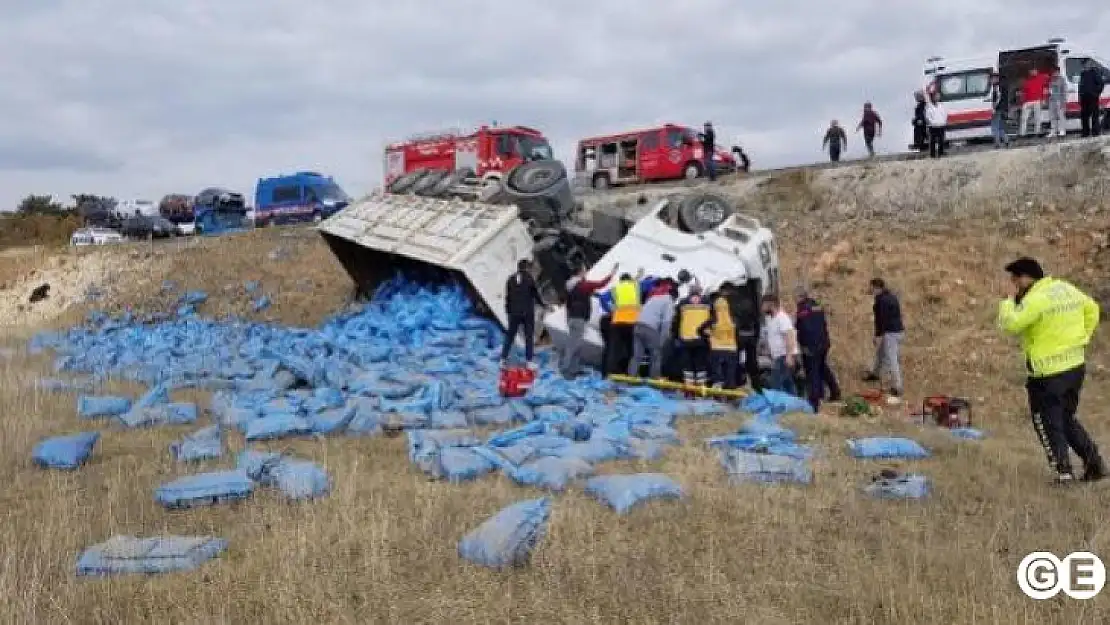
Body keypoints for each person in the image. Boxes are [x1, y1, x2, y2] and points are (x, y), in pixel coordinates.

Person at [997, 257, 1105, 483]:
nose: (1014, 284)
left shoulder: (1037, 298)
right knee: (1065, 417)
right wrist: (1083, 337)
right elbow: (1093, 309)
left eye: (1016, 280)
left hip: (1048, 373)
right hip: (1075, 367)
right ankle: (1093, 462)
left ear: (1027, 278)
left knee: (1047, 421)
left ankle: (1064, 473)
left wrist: (1007, 301)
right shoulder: (1066, 288)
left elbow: (1012, 324)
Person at [560, 262, 618, 378]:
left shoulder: (572, 286)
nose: (586, 272)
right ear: (580, 272)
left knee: (576, 344)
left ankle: (574, 369)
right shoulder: (583, 285)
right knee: (573, 346)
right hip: (579, 318)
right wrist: (613, 272)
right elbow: (601, 284)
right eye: (584, 270)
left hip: (572, 317)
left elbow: (569, 303)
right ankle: (566, 370)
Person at [794, 286, 841, 411]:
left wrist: (803, 345)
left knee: (813, 372)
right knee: (822, 367)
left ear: (800, 297)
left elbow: (804, 328)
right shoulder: (817, 305)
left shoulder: (802, 309)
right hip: (824, 343)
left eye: (796, 297)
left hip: (811, 345)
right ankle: (835, 391)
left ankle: (814, 403)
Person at [500, 259, 549, 368]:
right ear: (527, 268)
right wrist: (544, 305)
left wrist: (508, 310)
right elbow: (536, 295)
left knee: (510, 336)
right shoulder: (529, 279)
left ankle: (503, 359)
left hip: (514, 313)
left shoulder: (510, 279)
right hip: (527, 312)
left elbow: (508, 297)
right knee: (528, 336)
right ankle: (529, 361)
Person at [863, 278, 904, 397]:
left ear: (876, 287)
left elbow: (882, 320)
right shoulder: (890, 296)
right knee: (881, 354)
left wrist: (878, 335)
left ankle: (897, 386)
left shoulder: (882, 301)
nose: (869, 289)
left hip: (891, 333)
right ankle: (875, 373)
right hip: (896, 330)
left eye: (871, 286)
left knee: (892, 359)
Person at [629, 279, 675, 378]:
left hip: (637, 326)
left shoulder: (653, 297)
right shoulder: (669, 301)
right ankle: (654, 379)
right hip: (650, 328)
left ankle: (631, 377)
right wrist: (662, 341)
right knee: (656, 355)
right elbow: (666, 322)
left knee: (637, 355)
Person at [672, 284, 712, 391]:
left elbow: (676, 321)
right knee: (700, 365)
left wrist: (675, 335)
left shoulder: (682, 303)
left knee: (687, 365)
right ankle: (701, 389)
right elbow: (712, 320)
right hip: (702, 339)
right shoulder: (708, 303)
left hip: (685, 339)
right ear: (700, 292)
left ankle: (689, 390)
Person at [701, 287, 740, 388]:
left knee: (717, 374)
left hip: (716, 349)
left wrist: (708, 334)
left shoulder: (713, 320)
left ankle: (718, 394)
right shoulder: (733, 319)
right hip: (731, 349)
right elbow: (737, 334)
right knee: (730, 374)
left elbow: (700, 330)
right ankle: (731, 394)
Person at [605, 271, 642, 375]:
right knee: (631, 349)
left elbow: (606, 298)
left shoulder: (615, 289)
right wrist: (639, 274)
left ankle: (611, 371)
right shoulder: (635, 286)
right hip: (632, 322)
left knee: (614, 348)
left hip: (617, 321)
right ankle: (628, 371)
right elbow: (636, 282)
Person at [760, 294, 798, 394]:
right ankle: (793, 403)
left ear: (770, 305)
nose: (762, 308)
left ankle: (780, 404)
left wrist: (789, 356)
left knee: (776, 382)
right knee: (787, 382)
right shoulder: (771, 319)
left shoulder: (782, 317)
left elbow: (789, 336)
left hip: (784, 355)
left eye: (763, 305)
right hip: (778, 356)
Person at [1078, 59, 1106, 137]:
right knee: (1084, 116)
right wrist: (1079, 96)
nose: (1084, 65)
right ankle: (1085, 132)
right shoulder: (1082, 74)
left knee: (1094, 115)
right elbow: (1080, 86)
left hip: (1093, 97)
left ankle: (1095, 132)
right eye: (1083, 64)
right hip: (1084, 97)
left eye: (1085, 64)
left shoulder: (1094, 73)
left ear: (1089, 64)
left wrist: (1096, 93)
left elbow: (1101, 84)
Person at [1019, 66, 1048, 137]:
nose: (1033, 72)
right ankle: (1022, 133)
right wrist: (1022, 102)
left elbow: (1045, 89)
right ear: (1029, 72)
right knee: (1024, 118)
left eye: (1034, 71)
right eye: (1031, 71)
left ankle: (1037, 132)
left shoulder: (1042, 78)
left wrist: (1044, 99)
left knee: (1037, 118)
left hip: (1037, 101)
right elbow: (1023, 92)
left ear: (1037, 71)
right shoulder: (1026, 81)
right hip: (1027, 102)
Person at [986, 73, 1011, 148]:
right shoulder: (1003, 86)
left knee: (994, 126)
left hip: (998, 109)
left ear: (996, 79)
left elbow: (997, 98)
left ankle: (997, 143)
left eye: (991, 79)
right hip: (1003, 108)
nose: (990, 80)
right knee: (1000, 126)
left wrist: (994, 108)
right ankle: (1006, 141)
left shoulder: (996, 87)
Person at [924, 91, 947, 158]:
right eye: (936, 96)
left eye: (938, 96)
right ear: (933, 97)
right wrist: (931, 122)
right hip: (933, 126)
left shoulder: (941, 105)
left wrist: (943, 121)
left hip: (941, 125)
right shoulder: (929, 106)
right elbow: (927, 116)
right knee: (932, 141)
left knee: (941, 140)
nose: (937, 97)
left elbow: (945, 114)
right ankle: (932, 155)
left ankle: (941, 153)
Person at [1047, 64, 1068, 138]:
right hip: (1051, 100)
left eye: (1056, 72)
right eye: (1053, 72)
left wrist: (1063, 102)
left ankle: (1062, 130)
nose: (1054, 73)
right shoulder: (1051, 80)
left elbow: (1064, 92)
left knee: (1061, 116)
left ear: (1058, 72)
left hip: (1059, 100)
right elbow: (1049, 90)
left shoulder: (1062, 80)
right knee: (1052, 117)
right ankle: (1053, 131)